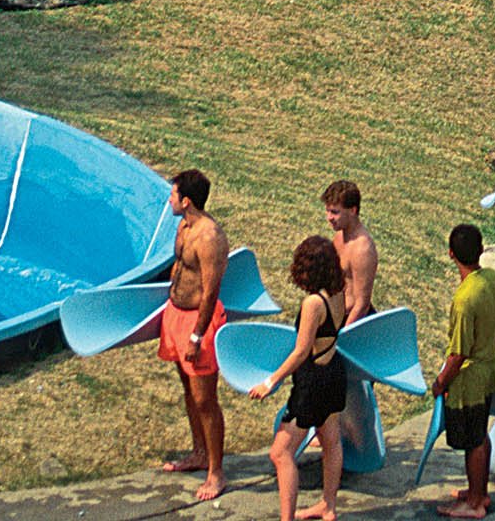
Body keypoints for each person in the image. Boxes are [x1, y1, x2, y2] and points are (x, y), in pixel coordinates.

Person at [247, 238, 355, 521]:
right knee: (331, 442)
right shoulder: (339, 293)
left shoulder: (313, 303)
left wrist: (270, 382)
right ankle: (328, 506)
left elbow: (300, 352)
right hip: (334, 373)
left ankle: (287, 518)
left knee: (281, 452)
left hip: (313, 384)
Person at [160, 168, 230, 501]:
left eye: (173, 195)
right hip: (176, 315)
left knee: (205, 399)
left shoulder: (209, 236)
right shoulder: (183, 225)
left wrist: (197, 336)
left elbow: (210, 290)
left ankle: (216, 473)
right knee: (188, 390)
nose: (169, 199)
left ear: (186, 200)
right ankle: (199, 453)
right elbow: (179, 269)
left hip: (198, 323)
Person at [430, 224, 495, 520]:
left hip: (470, 381)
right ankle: (479, 491)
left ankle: (474, 504)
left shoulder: (464, 300)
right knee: (480, 434)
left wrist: (440, 382)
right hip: (489, 370)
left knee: (472, 441)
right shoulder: (493, 279)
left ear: (451, 254)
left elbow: (459, 353)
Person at [324, 181, 378, 326]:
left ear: (353, 211)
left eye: (335, 212)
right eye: (328, 211)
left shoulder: (362, 249)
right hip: (336, 314)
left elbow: (362, 304)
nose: (329, 217)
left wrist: (342, 337)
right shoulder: (339, 237)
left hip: (352, 322)